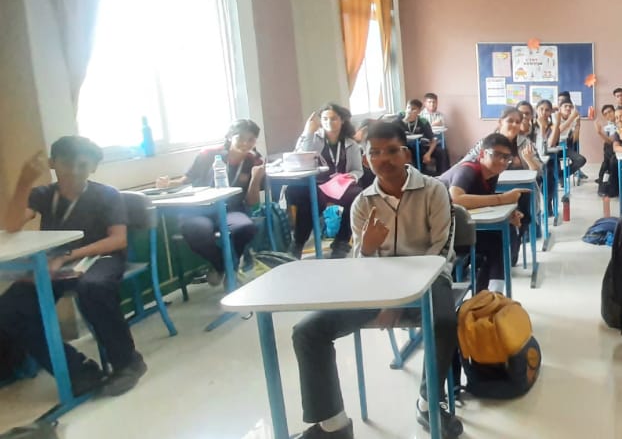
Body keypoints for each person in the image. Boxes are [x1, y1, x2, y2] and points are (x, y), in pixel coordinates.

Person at [290, 121, 462, 439]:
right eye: (375, 152)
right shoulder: (363, 203)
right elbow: (362, 266)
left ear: (406, 154)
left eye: (392, 151)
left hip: (429, 280)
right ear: (366, 159)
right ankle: (332, 424)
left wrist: (401, 298)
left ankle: (428, 404)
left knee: (444, 322)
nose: (384, 159)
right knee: (308, 331)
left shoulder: (434, 191)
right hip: (377, 287)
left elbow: (441, 251)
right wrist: (367, 249)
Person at [1, 137, 146, 397]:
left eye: (83, 165)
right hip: (55, 263)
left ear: (93, 167)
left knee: (93, 287)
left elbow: (117, 240)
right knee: (10, 308)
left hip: (101, 257)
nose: (74, 172)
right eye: (67, 164)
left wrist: (68, 256)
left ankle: (128, 362)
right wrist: (23, 182)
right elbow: (12, 225)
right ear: (52, 164)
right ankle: (78, 371)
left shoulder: (107, 195)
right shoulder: (43, 195)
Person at [160, 119, 265, 286]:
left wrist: (256, 178)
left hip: (231, 210)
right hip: (199, 210)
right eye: (240, 138)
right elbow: (186, 180)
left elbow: (252, 202)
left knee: (246, 227)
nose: (246, 143)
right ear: (229, 136)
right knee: (196, 229)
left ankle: (229, 268)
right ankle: (223, 266)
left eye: (251, 139)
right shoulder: (208, 155)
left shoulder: (254, 161)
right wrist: (168, 184)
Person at [441, 133, 528, 293]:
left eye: (506, 157)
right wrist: (502, 199)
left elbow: (481, 203)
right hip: (441, 235)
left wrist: (508, 214)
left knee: (501, 237)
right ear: (482, 154)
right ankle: (489, 294)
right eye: (496, 155)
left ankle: (488, 294)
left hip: (458, 228)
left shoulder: (491, 175)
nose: (502, 161)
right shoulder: (468, 170)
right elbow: (456, 199)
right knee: (496, 241)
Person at [289, 103, 364, 258]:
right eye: (325, 119)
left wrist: (351, 177)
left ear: (342, 120)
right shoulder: (313, 138)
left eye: (333, 119)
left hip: (340, 186)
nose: (329, 122)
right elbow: (301, 157)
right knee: (310, 201)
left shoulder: (350, 144)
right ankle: (298, 244)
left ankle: (342, 241)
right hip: (317, 184)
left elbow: (358, 170)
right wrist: (308, 132)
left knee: (358, 195)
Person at [397, 99, 439, 174]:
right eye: (408, 108)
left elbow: (433, 141)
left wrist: (428, 154)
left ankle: (421, 173)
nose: (409, 111)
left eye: (413, 109)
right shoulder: (400, 117)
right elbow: (392, 131)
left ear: (419, 111)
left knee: (424, 152)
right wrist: (405, 120)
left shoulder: (423, 121)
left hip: (417, 146)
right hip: (401, 146)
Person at [555, 99, 587, 180]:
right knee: (553, 163)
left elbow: (575, 139)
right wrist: (572, 117)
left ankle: (561, 176)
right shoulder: (554, 116)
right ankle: (559, 177)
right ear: (560, 108)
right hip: (552, 148)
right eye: (565, 106)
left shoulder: (572, 119)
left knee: (581, 160)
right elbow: (558, 130)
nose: (568, 108)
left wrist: (578, 125)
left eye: (570, 106)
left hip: (564, 148)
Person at [594, 103, 619, 196]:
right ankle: (603, 185)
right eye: (605, 114)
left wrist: (599, 133)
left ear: (614, 111)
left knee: (608, 162)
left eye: (610, 112)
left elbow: (611, 141)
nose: (608, 115)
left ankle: (604, 184)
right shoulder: (609, 125)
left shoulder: (620, 121)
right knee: (606, 162)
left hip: (621, 147)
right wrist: (600, 132)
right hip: (612, 150)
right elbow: (610, 141)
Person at [422, 92, 449, 169]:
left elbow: (441, 126)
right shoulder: (420, 116)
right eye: (429, 102)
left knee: (443, 152)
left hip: (437, 144)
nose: (432, 104)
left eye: (434, 102)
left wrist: (429, 125)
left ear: (437, 103)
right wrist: (432, 125)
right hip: (424, 144)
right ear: (425, 103)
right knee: (418, 153)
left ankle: (443, 174)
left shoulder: (440, 115)